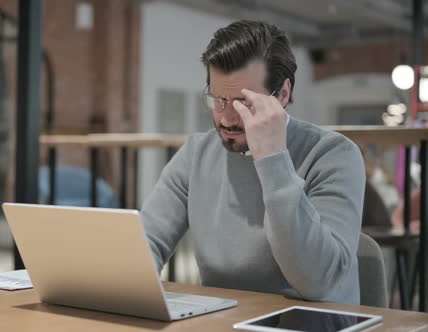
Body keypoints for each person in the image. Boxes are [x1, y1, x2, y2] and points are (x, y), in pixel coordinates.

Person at [140, 20, 365, 304]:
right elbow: (146, 241)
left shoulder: (333, 155)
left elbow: (319, 282)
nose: (226, 118)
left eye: (243, 103)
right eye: (218, 99)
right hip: (225, 321)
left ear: (282, 94)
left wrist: (273, 159)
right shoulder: (196, 154)